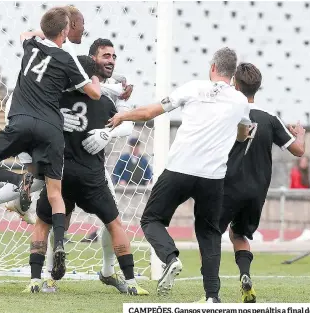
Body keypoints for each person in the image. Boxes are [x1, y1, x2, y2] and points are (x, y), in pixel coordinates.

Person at [0, 7, 102, 281]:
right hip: (50, 128)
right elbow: (93, 93)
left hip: (20, 120)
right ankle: (61, 242)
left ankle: (16, 184)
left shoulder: (31, 44)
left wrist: (50, 27)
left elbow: (27, 32)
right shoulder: (68, 59)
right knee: (54, 192)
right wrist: (96, 81)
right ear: (66, 30)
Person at [108, 48, 252, 303]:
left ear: (213, 68)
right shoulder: (240, 101)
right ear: (232, 74)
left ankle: (170, 258)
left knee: (151, 219)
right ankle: (212, 297)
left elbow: (150, 112)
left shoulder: (193, 88)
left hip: (180, 169)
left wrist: (123, 115)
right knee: (208, 235)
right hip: (212, 176)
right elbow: (243, 133)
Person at [24, 55, 148, 296]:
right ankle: (131, 280)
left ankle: (36, 280)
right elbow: (125, 124)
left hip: (59, 175)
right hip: (92, 176)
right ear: (92, 75)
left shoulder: (54, 99)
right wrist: (108, 129)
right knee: (114, 224)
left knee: (43, 223)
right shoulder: (104, 102)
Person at [218, 63, 306, 303]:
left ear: (235, 85)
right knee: (239, 235)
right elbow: (299, 151)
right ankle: (245, 275)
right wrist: (300, 133)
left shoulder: (228, 113)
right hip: (257, 190)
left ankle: (211, 292)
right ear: (258, 87)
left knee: (211, 233)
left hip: (228, 185)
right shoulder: (270, 119)